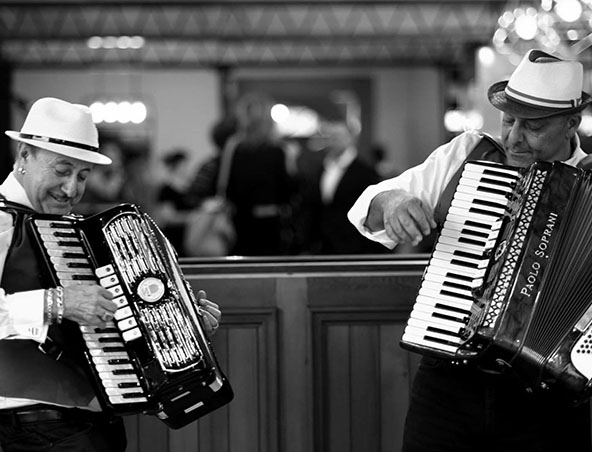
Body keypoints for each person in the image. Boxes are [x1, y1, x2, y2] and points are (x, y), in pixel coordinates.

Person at [348, 49, 592, 452]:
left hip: (549, 397)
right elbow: (368, 205)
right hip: (449, 380)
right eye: (509, 120)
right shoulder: (469, 153)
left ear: (571, 123)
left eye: (533, 127)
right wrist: (392, 203)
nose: (514, 138)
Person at [0, 97, 222, 452]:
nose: (71, 189)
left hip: (93, 424)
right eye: (61, 170)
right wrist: (55, 303)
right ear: (24, 155)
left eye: (83, 175)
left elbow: (111, 328)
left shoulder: (82, 235)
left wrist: (182, 327)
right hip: (27, 429)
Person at [297, 120, 388, 254]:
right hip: (323, 244)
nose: (332, 141)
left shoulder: (364, 171)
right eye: (329, 137)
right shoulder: (320, 169)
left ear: (349, 139)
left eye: (337, 137)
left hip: (353, 243)